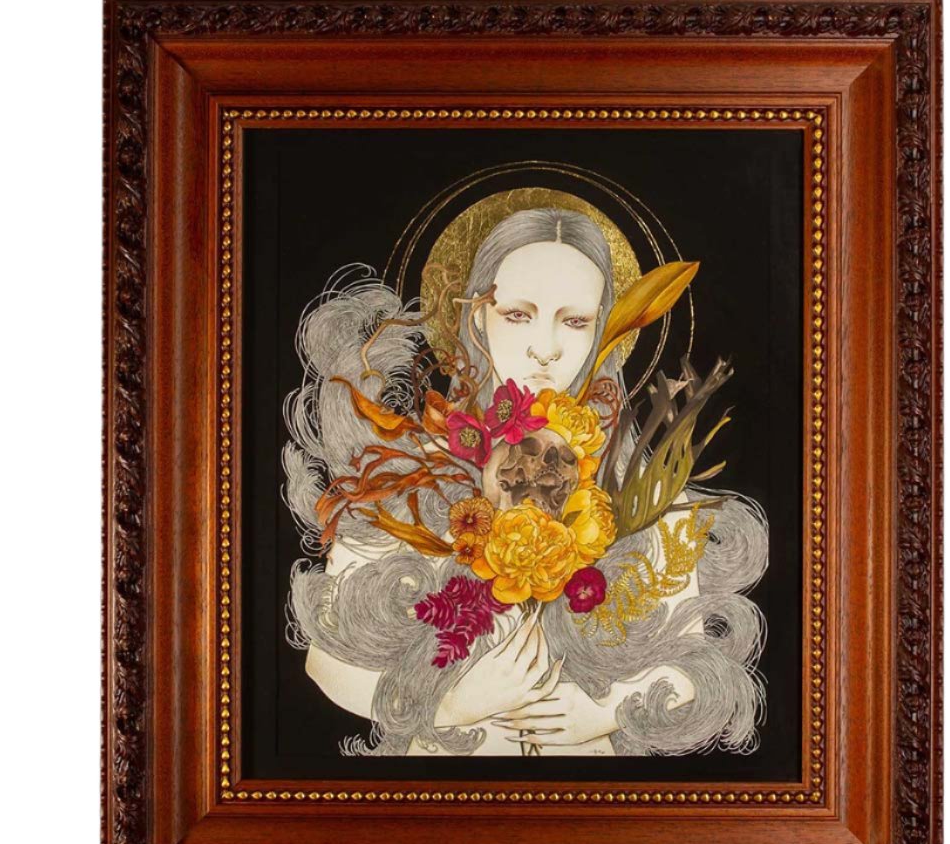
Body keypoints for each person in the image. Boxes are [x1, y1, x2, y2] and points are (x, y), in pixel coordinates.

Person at [284, 207, 768, 756]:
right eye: (518, 315)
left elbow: (696, 666)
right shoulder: (403, 480)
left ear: (604, 332)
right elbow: (326, 662)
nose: (546, 347)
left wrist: (608, 710)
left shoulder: (644, 491)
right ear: (476, 320)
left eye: (575, 321)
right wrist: (449, 704)